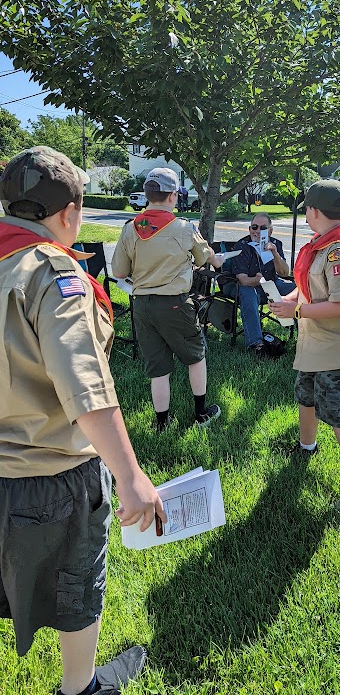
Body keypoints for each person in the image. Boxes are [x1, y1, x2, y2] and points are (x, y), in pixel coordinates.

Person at [0, 146, 167, 695]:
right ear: (70, 213)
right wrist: (131, 476)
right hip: (52, 473)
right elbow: (85, 386)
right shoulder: (53, 271)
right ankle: (80, 687)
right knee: (76, 586)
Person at [269, 180, 340, 512]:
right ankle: (307, 447)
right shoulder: (320, 244)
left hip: (337, 347)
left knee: (339, 416)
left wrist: (298, 310)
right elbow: (307, 287)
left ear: (315, 211)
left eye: (306, 208)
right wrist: (289, 299)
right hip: (315, 342)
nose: (305, 214)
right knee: (306, 397)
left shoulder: (339, 251)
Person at [111, 168, 224, 430]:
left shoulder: (130, 228)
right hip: (174, 303)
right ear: (173, 196)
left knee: (158, 366)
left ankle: (162, 423)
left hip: (142, 305)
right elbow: (203, 257)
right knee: (196, 356)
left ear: (148, 194)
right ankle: (201, 414)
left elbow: (119, 272)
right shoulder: (184, 227)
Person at [222, 212, 296, 356]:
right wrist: (256, 280)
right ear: (249, 229)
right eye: (254, 227)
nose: (257, 231)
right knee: (248, 293)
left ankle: (306, 335)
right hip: (243, 287)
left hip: (270, 284)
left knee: (298, 289)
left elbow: (284, 273)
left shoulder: (276, 244)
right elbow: (243, 280)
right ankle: (256, 344)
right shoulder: (242, 246)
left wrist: (275, 253)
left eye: (263, 228)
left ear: (270, 230)